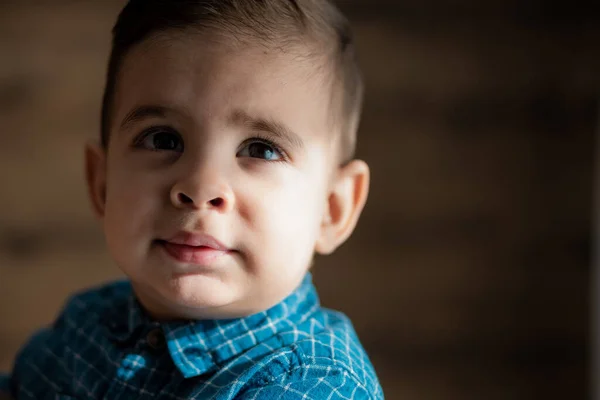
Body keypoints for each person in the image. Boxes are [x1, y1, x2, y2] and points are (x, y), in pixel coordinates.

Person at [2, 0, 382, 398]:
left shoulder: (311, 385)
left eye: (261, 149)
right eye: (163, 139)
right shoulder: (86, 325)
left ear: (332, 210)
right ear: (103, 183)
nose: (200, 188)